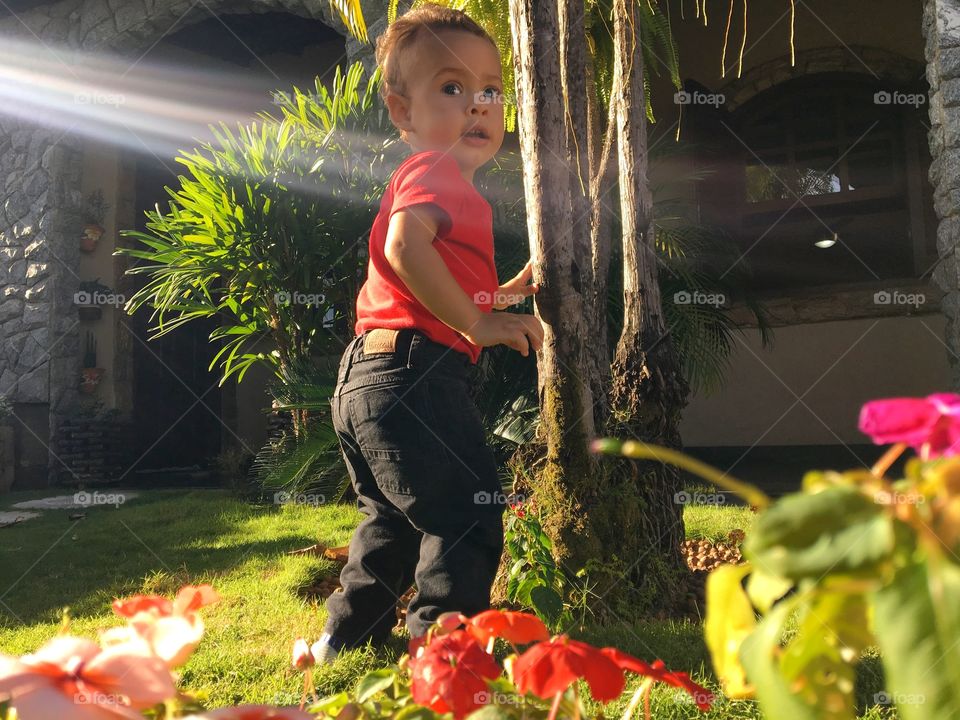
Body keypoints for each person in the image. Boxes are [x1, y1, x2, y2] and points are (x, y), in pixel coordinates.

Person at [313, 2, 544, 662]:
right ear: (402, 112)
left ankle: (342, 640)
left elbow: (435, 279)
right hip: (414, 374)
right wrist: (479, 322)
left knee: (391, 520)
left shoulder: (446, 187)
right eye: (450, 87)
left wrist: (505, 293)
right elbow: (404, 249)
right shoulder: (433, 170)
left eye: (490, 91)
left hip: (369, 376)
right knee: (465, 513)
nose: (477, 105)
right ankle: (445, 656)